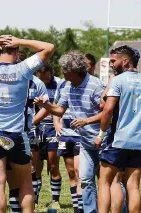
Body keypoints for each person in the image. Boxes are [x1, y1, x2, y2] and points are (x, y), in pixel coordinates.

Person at [0, 35, 54, 213]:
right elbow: (48, 47)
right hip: (16, 133)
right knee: (25, 182)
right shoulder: (23, 69)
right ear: (17, 52)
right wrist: (20, 40)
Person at [34, 51, 105, 213]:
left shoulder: (95, 85)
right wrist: (46, 105)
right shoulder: (68, 86)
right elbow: (59, 110)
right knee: (85, 179)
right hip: (84, 142)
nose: (62, 73)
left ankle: (120, 207)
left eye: (65, 70)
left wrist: (87, 121)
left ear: (74, 70)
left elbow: (107, 113)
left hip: (99, 140)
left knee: (106, 179)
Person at [96, 45, 141, 213]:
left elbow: (107, 109)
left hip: (118, 140)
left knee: (104, 182)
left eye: (113, 61)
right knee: (133, 186)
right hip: (139, 142)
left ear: (125, 61)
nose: (111, 64)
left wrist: (101, 135)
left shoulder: (118, 80)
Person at [32, 64, 63, 212]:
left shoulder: (59, 83)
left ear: (51, 73)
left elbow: (62, 107)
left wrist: (58, 122)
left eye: (46, 78)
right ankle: (35, 199)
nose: (44, 81)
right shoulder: (33, 83)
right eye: (41, 78)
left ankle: (55, 201)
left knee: (53, 165)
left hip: (52, 128)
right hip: (36, 128)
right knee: (35, 166)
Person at [53, 80, 82, 213]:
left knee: (80, 172)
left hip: (81, 135)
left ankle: (82, 207)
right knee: (71, 172)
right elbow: (56, 105)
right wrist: (56, 123)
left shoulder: (91, 83)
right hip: (66, 135)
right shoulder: (63, 85)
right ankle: (76, 207)